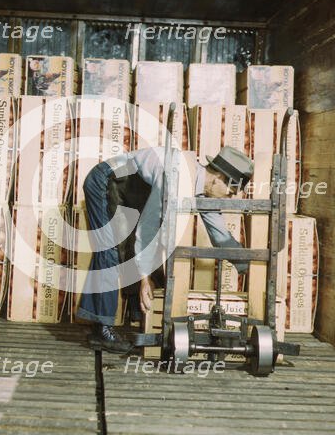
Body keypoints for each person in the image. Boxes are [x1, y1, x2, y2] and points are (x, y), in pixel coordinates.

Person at [76, 146, 254, 353]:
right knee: (110, 250)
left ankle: (136, 314)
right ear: (219, 178)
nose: (230, 197)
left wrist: (247, 265)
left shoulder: (202, 190)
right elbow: (149, 228)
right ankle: (101, 330)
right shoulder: (176, 178)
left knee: (133, 249)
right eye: (231, 191)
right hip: (107, 180)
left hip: (133, 191)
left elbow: (220, 235)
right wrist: (144, 278)